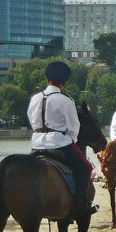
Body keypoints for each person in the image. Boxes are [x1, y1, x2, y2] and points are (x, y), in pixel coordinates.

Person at [28, 61, 97, 218]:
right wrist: (70, 139)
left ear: (48, 79)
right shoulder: (65, 100)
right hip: (59, 144)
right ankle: (81, 206)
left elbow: (32, 120)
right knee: (85, 168)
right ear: (64, 83)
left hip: (36, 144)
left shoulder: (35, 98)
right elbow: (74, 127)